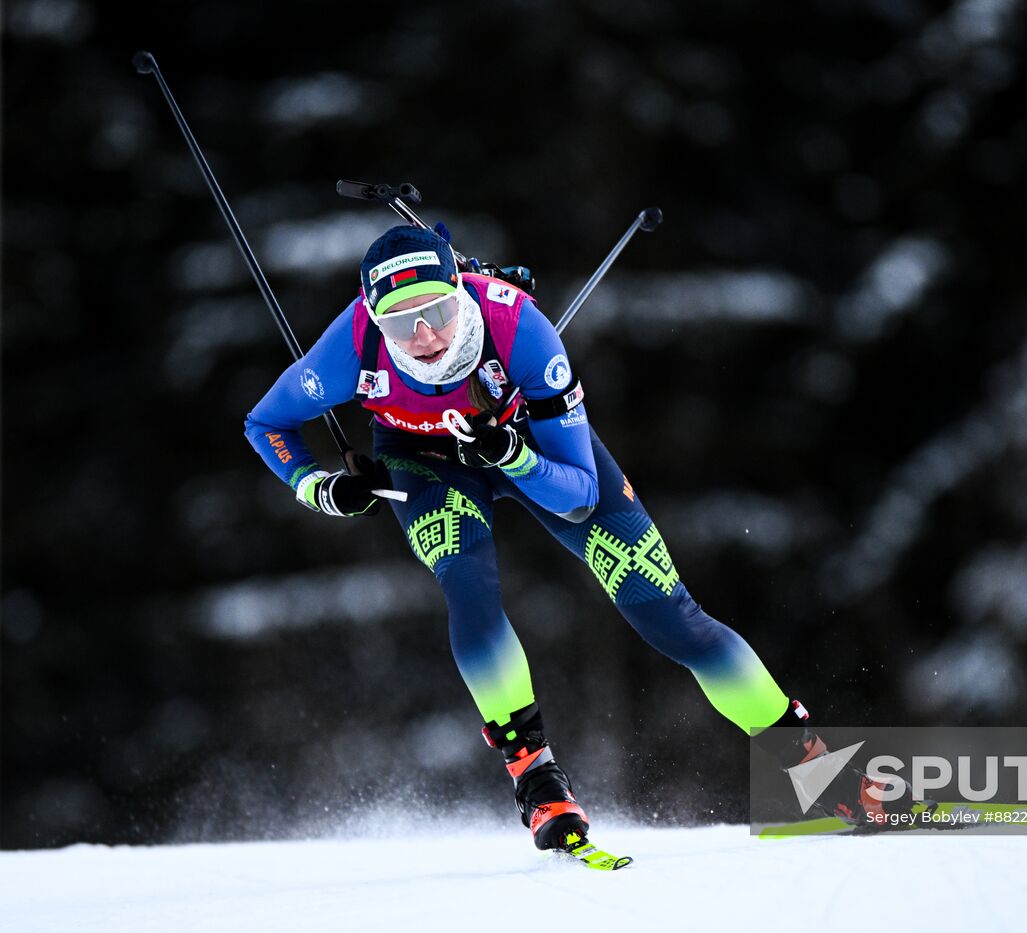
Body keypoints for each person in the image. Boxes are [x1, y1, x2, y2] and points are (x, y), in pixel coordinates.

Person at [244, 224, 876, 852]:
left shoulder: (521, 332)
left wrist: (512, 455)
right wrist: (318, 487)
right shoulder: (350, 345)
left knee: (671, 615)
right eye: (401, 324)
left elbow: (577, 496)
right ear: (374, 320)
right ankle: (535, 776)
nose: (426, 336)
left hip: (535, 446)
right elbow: (267, 424)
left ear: (459, 293)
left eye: (436, 310)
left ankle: (812, 767)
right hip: (424, 461)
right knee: (469, 587)